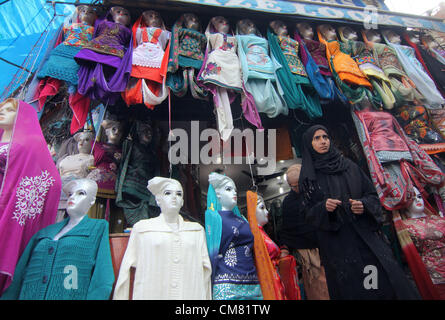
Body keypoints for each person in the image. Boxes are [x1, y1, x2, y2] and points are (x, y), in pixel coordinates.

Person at [299, 124, 419, 300]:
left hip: (366, 239)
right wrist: (323, 208)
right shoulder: (309, 178)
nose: (323, 141)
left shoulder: (349, 166)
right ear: (309, 144)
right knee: (354, 289)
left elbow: (372, 195)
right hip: (339, 247)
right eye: (316, 138)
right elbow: (306, 215)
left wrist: (363, 205)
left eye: (325, 137)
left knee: (385, 281)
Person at [1, 179, 114, 300]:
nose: (72, 198)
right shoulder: (44, 232)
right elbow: (18, 276)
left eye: (81, 193)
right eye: (70, 194)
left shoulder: (97, 228)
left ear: (92, 201)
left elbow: (103, 279)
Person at [113, 177, 211, 299]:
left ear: (182, 201)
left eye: (179, 194)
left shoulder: (196, 231)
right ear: (158, 200)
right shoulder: (142, 229)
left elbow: (206, 273)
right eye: (168, 193)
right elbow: (125, 273)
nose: (174, 197)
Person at [0, 99, 61, 295]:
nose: (2, 113)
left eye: (9, 110)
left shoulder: (30, 142)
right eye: (1, 109)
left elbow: (52, 179)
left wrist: (24, 196)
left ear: (21, 117)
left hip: (9, 203)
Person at [205, 172, 263, 299]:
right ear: (218, 194)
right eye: (228, 189)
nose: (234, 193)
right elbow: (212, 251)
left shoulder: (242, 219)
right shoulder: (214, 218)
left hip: (252, 282)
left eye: (235, 190)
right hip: (227, 284)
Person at [280, 163, 330, 300]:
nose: (296, 189)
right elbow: (287, 229)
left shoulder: (318, 192)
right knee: (319, 290)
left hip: (328, 247)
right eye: (292, 186)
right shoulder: (288, 203)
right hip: (308, 256)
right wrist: (284, 248)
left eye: (298, 184)